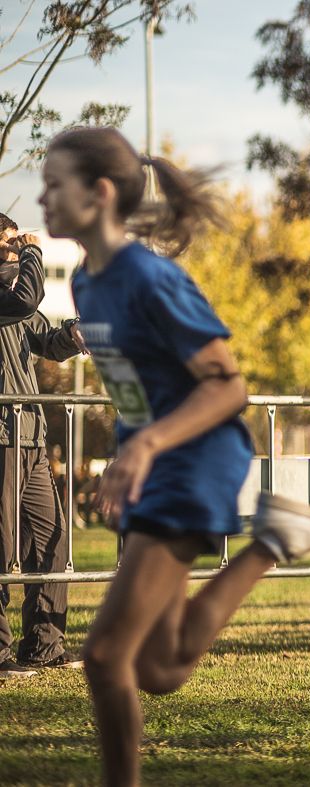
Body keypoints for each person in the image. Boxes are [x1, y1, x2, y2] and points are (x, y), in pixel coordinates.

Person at [41, 126, 310, 786]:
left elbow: (228, 385)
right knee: (161, 668)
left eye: (54, 185)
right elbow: (136, 390)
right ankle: (274, 540)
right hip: (154, 462)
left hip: (195, 458)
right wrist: (129, 458)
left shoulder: (150, 278)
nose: (41, 198)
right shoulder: (87, 282)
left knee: (107, 657)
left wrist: (152, 446)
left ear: (100, 194)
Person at [0, 216, 85, 677]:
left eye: (18, 243)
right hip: (1, 437)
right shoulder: (11, 297)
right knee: (0, 547)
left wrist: (73, 336)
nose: (16, 249)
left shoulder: (17, 303)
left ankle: (45, 646)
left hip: (30, 437)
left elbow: (45, 342)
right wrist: (36, 251)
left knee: (52, 542)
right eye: (9, 243)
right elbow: (27, 297)